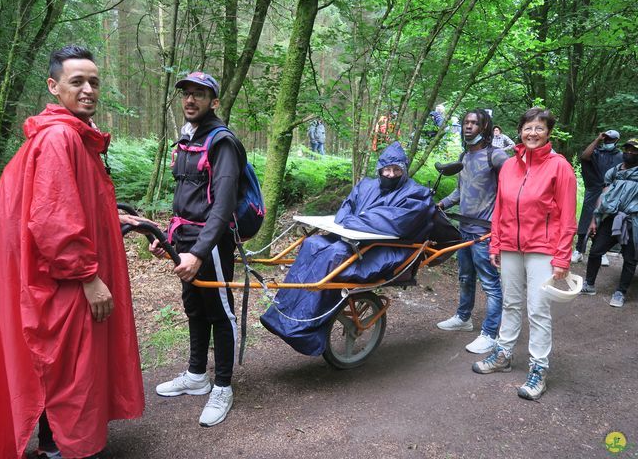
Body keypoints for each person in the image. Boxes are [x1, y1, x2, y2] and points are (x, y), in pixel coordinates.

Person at [0, 45, 145, 458]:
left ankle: (57, 444)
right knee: (69, 369)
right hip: (65, 281)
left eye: (94, 82)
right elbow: (51, 221)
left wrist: (110, 215)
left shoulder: (71, 137)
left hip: (63, 276)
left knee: (64, 365)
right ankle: (63, 448)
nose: (87, 90)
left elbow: (68, 201)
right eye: (77, 81)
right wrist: (88, 278)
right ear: (54, 85)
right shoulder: (61, 136)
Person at [260, 142, 436, 355]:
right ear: (379, 169)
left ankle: (304, 330)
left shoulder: (416, 194)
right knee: (312, 244)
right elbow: (345, 210)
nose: (390, 174)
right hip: (357, 242)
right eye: (386, 170)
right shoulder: (367, 185)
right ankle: (281, 315)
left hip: (389, 250)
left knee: (334, 256)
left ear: (404, 170)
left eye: (396, 170)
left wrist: (356, 220)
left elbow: (393, 221)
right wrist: (355, 220)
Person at [149, 71, 246, 427]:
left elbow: (222, 206)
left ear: (214, 101)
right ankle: (196, 375)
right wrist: (170, 241)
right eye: (186, 94)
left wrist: (200, 252)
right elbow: (186, 197)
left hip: (211, 244)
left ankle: (222, 386)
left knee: (220, 312)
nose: (190, 100)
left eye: (199, 95)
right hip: (185, 239)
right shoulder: (189, 138)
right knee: (194, 307)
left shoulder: (221, 142)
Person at [473, 107, 577, 401]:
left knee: (538, 309)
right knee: (511, 302)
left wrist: (562, 258)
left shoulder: (560, 167)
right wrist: (496, 243)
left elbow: (568, 218)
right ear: (520, 131)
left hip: (542, 248)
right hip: (509, 245)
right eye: (528, 128)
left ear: (548, 133)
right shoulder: (508, 166)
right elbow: (500, 209)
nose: (532, 133)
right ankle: (503, 354)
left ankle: (538, 368)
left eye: (539, 128)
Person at [436, 109, 507, 354]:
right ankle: (463, 318)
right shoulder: (464, 156)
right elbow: (460, 191)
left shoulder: (496, 157)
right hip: (464, 229)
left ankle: (490, 333)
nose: (468, 127)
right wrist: (441, 204)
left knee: (490, 283)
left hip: (485, 233)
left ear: (485, 127)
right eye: (466, 122)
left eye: (474, 123)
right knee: (465, 278)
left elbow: (511, 189)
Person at [580, 138, 638, 307]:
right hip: (611, 218)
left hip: (633, 221)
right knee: (596, 250)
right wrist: (594, 220)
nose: (630, 153)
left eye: (634, 151)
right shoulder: (613, 172)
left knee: (630, 258)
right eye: (628, 150)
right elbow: (603, 196)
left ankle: (620, 292)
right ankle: (589, 284)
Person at [571, 130, 623, 266]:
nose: (608, 142)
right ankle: (579, 251)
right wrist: (597, 139)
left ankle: (601, 252)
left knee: (604, 220)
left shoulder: (620, 156)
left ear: (617, 141)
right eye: (606, 139)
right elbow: (584, 157)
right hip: (593, 189)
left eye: (611, 140)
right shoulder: (596, 152)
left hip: (611, 192)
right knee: (586, 219)